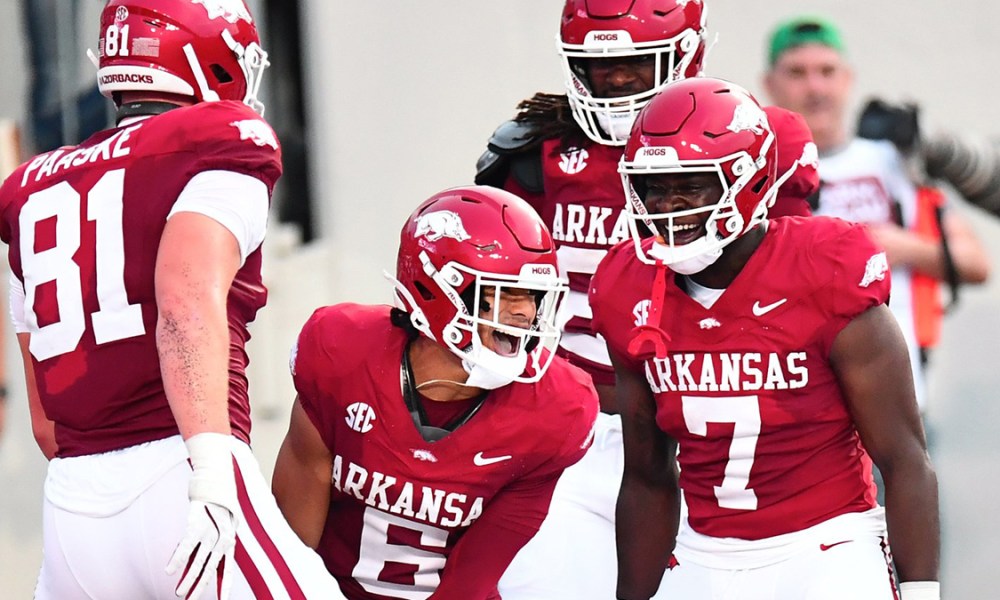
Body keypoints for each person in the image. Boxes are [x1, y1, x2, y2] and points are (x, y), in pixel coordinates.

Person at [0, 1, 344, 598]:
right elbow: (184, 298)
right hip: (181, 468)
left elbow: (45, 418)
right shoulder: (218, 143)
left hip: (74, 508)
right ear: (202, 57)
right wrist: (211, 472)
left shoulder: (30, 189)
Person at [473, 3, 816, 597]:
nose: (622, 83)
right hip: (569, 429)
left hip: (699, 425)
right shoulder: (537, 154)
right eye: (602, 69)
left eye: (636, 64)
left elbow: (789, 293)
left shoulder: (759, 137)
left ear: (689, 52)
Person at [589, 76, 940, 600]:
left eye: (692, 184)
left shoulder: (824, 269)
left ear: (748, 182)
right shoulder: (628, 286)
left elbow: (905, 458)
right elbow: (646, 477)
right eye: (654, 187)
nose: (668, 206)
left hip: (825, 548)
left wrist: (921, 594)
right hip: (702, 551)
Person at [271, 185, 600, 600]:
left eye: (533, 295)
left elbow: (471, 583)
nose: (525, 313)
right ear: (436, 290)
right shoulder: (340, 355)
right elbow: (289, 554)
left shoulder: (556, 410)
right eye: (504, 292)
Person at [762, 15, 990, 414]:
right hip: (799, 411)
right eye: (797, 73)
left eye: (826, 72)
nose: (815, 87)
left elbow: (977, 264)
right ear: (770, 84)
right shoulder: (757, 169)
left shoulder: (893, 161)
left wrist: (905, 248)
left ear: (848, 78)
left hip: (900, 405)